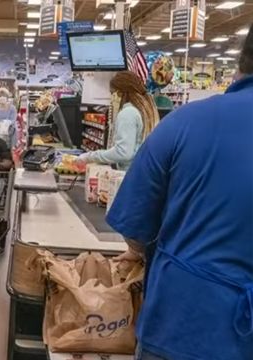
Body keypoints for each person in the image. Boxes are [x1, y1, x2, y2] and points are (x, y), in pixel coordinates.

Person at [107, 23, 253, 360]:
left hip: (184, 325)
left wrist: (143, 250)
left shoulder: (184, 123)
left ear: (241, 64)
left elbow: (134, 228)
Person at [76, 71, 159, 170]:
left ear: (119, 93)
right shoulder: (145, 109)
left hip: (129, 174)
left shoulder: (128, 113)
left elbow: (123, 152)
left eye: (112, 93)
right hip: (142, 171)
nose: (111, 98)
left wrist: (89, 157)